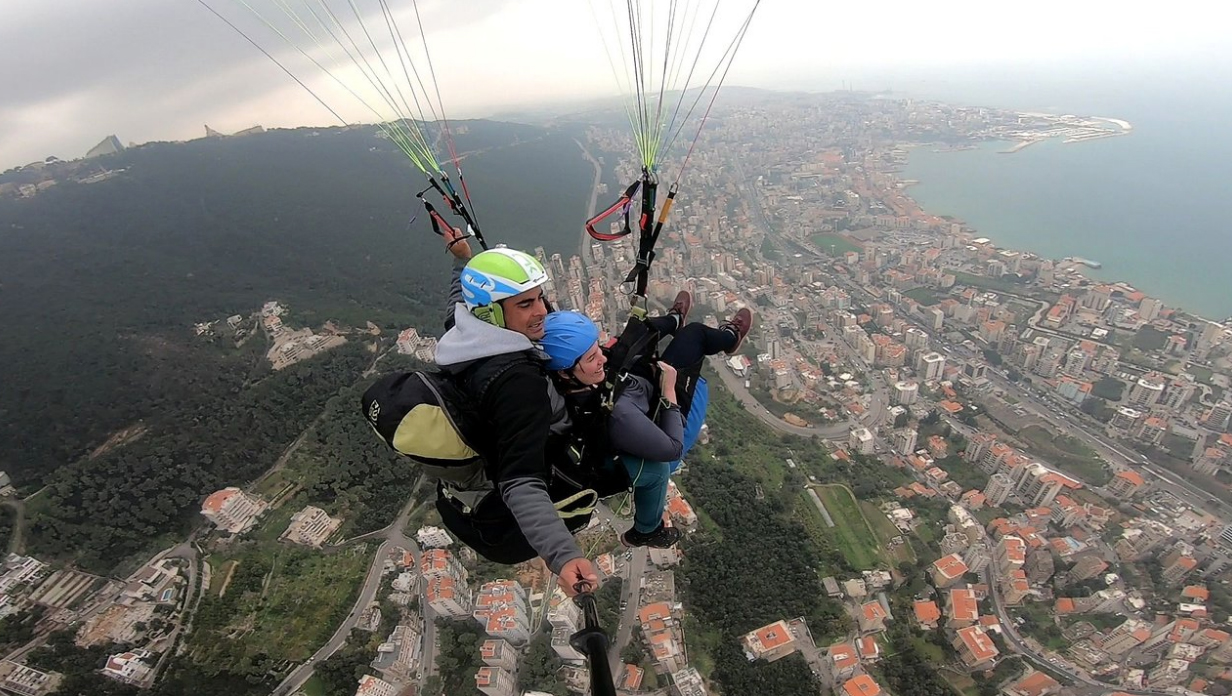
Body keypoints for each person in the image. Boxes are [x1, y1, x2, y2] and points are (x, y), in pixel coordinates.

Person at [433, 226, 598, 596]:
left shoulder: (463, 336)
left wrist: (463, 259)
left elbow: (456, 304)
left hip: (464, 506)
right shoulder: (518, 384)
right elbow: (520, 481)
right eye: (525, 304)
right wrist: (562, 556)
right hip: (509, 523)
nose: (542, 312)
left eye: (539, 298)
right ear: (491, 314)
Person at [540, 299, 753, 548]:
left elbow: (617, 351)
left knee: (641, 335)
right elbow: (672, 448)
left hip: (635, 389)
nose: (602, 358)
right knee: (696, 337)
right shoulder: (618, 414)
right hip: (662, 420)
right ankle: (647, 530)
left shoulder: (565, 378)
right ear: (565, 373)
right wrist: (669, 390)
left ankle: (676, 321)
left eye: (596, 349)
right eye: (591, 358)